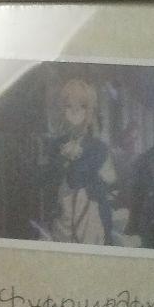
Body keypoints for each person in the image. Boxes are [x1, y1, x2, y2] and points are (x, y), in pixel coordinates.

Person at [38, 77, 116, 245]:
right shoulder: (55, 145)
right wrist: (61, 161)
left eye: (82, 106)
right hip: (61, 212)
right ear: (62, 109)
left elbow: (108, 180)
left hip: (90, 214)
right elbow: (46, 180)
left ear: (89, 111)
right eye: (69, 106)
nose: (75, 111)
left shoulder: (98, 147)